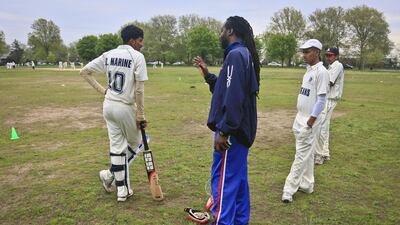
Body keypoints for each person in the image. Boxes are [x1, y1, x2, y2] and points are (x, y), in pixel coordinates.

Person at [193, 16, 260, 225]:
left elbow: (233, 97)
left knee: (223, 183)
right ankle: (239, 221)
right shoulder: (243, 54)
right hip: (241, 132)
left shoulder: (235, 55)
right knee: (238, 182)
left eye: (222, 30)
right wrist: (208, 75)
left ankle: (222, 221)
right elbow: (226, 90)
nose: (220, 34)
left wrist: (224, 131)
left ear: (230, 31)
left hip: (232, 133)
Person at [79, 24, 148, 202]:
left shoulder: (108, 54)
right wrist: (140, 115)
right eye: (140, 41)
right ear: (132, 40)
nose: (141, 44)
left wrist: (104, 92)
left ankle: (120, 190)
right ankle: (111, 176)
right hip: (125, 107)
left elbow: (84, 72)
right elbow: (139, 90)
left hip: (108, 105)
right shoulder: (137, 56)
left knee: (117, 148)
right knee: (138, 144)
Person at [282, 39, 329, 203]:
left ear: (316, 52)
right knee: (306, 155)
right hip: (299, 118)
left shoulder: (321, 72)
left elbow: (321, 101)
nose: (304, 55)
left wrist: (310, 122)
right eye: (303, 51)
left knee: (300, 156)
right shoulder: (308, 71)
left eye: (307, 51)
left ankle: (288, 190)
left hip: (309, 121)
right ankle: (308, 184)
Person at [314, 47, 344, 165]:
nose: (328, 58)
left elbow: (329, 82)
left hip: (330, 99)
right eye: (327, 55)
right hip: (327, 98)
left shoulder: (337, 65)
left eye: (331, 55)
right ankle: (324, 153)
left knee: (321, 127)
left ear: (336, 56)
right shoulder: (330, 67)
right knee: (324, 126)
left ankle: (320, 155)